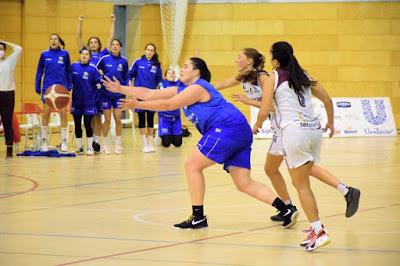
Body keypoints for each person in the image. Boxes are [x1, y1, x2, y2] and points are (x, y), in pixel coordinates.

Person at [102, 57, 299, 230]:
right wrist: (122, 89)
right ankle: (287, 209)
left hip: (227, 128)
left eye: (186, 66)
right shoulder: (181, 88)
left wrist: (137, 105)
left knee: (191, 164)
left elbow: (169, 105)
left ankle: (198, 217)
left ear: (196, 72)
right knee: (244, 183)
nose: (182, 68)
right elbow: (152, 93)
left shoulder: (198, 87)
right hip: (239, 130)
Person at [215, 48, 361, 223]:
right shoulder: (244, 77)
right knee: (282, 168)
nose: (236, 60)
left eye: (239, 57)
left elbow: (270, 107)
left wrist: (253, 111)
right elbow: (220, 85)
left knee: (295, 170)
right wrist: (201, 89)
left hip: (285, 128)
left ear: (250, 61)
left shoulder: (265, 78)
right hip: (301, 127)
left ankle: (302, 210)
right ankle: (293, 204)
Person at [254, 41, 346, 251]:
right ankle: (319, 226)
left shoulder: (273, 76)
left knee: (301, 186)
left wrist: (258, 124)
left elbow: (266, 106)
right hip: (314, 131)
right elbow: (328, 100)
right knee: (304, 180)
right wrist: (330, 122)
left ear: (275, 60)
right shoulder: (302, 74)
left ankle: (319, 231)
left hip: (294, 132)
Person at [76, 14, 115, 153]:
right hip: (86, 92)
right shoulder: (85, 55)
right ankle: (90, 141)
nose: (93, 44)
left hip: (99, 91)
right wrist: (80, 22)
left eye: (95, 42)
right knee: (89, 119)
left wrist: (112, 22)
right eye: (91, 42)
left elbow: (110, 38)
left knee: (98, 117)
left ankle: (97, 142)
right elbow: (78, 37)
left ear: (98, 45)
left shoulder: (103, 54)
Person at [35, 34, 72, 152]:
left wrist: (69, 85)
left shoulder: (65, 54)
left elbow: (69, 71)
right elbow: (39, 70)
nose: (53, 40)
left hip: (61, 89)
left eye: (55, 39)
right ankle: (44, 141)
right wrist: (37, 84)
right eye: (51, 39)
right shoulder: (44, 54)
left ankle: (64, 141)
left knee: (63, 114)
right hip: (48, 89)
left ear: (59, 42)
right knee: (46, 113)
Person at [128, 43, 163, 153]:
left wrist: (161, 90)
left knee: (151, 119)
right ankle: (144, 144)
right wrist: (131, 91)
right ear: (145, 50)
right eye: (148, 50)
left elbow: (159, 80)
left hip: (152, 96)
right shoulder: (138, 62)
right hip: (139, 95)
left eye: (152, 50)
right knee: (142, 119)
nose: (149, 52)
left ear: (154, 52)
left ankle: (149, 143)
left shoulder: (157, 65)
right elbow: (129, 76)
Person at [96, 39, 128, 154]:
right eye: (113, 45)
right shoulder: (104, 59)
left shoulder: (124, 61)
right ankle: (104, 144)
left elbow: (126, 78)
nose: (115, 46)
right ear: (110, 47)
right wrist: (101, 81)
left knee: (118, 119)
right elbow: (96, 71)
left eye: (117, 45)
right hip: (106, 95)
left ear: (120, 47)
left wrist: (125, 90)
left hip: (119, 95)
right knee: (107, 119)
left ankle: (118, 144)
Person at [71, 49, 102, 155]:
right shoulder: (73, 66)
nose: (84, 55)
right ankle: (79, 147)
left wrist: (95, 100)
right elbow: (68, 80)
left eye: (87, 54)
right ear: (80, 55)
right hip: (76, 102)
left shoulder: (93, 69)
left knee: (87, 124)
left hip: (89, 102)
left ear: (90, 57)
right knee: (77, 124)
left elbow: (99, 85)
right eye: (82, 54)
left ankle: (90, 147)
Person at [0, 40, 22, 158]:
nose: (0, 51)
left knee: (7, 122)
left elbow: (18, 48)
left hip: (7, 95)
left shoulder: (9, 62)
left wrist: (4, 41)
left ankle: (9, 150)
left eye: (1, 49)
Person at [158, 68, 182, 148]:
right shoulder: (162, 83)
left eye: (173, 73)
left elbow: (184, 77)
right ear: (165, 76)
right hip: (164, 117)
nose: (171, 74)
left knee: (178, 143)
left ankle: (171, 134)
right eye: (169, 73)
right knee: (166, 144)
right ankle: (160, 135)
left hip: (176, 117)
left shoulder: (178, 84)